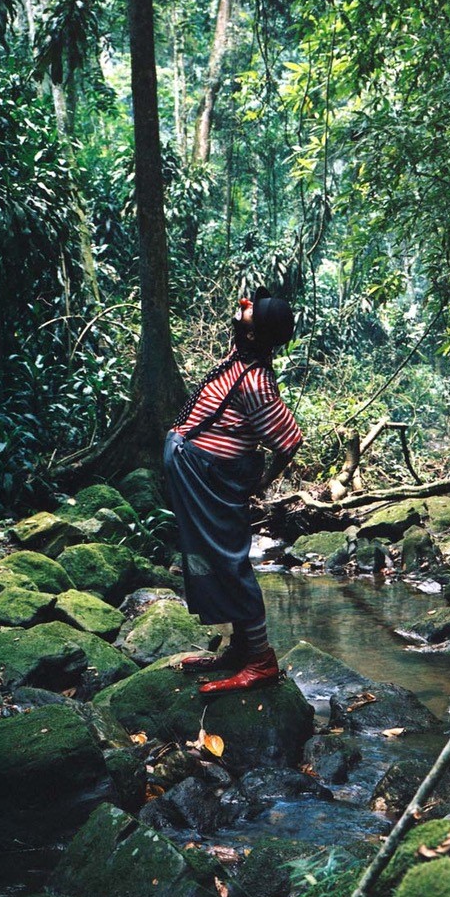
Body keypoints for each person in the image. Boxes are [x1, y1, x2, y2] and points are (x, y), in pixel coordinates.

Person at [163, 285, 302, 696]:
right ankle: (240, 648)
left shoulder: (256, 380)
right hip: (198, 474)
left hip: (214, 479)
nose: (242, 307)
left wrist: (262, 482)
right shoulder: (239, 356)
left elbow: (289, 441)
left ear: (256, 335)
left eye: (250, 312)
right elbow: (243, 321)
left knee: (227, 560)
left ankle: (261, 661)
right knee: (208, 555)